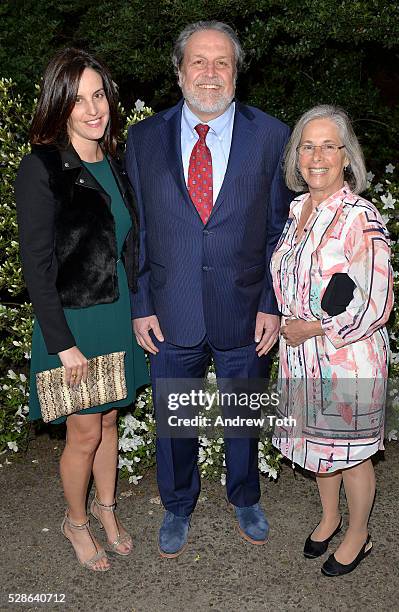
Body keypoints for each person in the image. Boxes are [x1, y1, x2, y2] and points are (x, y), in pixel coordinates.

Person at [126, 21, 292, 558]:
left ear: (237, 72)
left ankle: (245, 496)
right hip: (170, 310)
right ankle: (177, 505)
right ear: (178, 72)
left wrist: (271, 303)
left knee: (242, 411)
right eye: (198, 61)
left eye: (222, 62)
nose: (210, 73)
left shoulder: (271, 135)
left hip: (245, 307)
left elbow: (278, 231)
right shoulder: (144, 138)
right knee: (176, 417)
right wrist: (143, 302)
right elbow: (139, 230)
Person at [15, 48, 149, 571]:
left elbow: (128, 244)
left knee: (110, 420)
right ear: (59, 106)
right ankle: (76, 522)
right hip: (72, 322)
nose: (93, 109)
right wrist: (61, 343)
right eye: (78, 99)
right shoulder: (42, 167)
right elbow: (37, 266)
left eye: (98, 95)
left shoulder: (114, 162)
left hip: (117, 312)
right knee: (84, 430)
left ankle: (107, 510)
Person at [270, 104, 393, 576]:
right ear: (297, 156)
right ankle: (329, 517)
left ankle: (359, 534)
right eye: (307, 146)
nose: (316, 156)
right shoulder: (297, 209)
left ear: (346, 157)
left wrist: (315, 327)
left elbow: (375, 301)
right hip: (301, 357)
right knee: (319, 449)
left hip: (347, 357)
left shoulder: (361, 217)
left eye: (328, 146)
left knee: (353, 453)